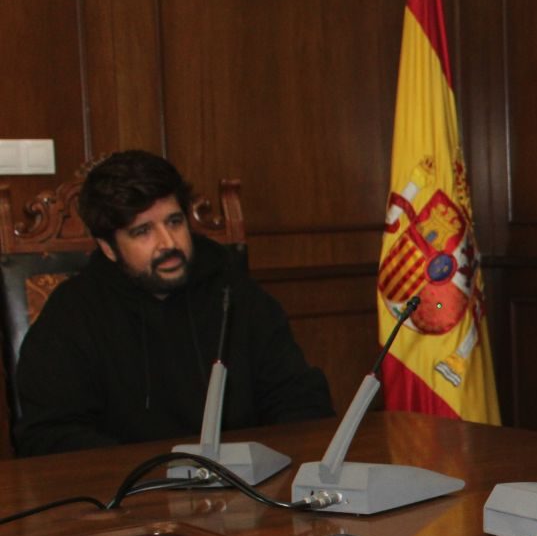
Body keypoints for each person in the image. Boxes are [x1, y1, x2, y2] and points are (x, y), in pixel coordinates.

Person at [13, 150, 333, 456]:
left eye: (174, 222)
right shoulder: (73, 314)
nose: (168, 243)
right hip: (131, 498)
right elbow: (49, 434)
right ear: (108, 248)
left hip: (244, 492)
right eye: (143, 231)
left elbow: (300, 399)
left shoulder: (233, 291)